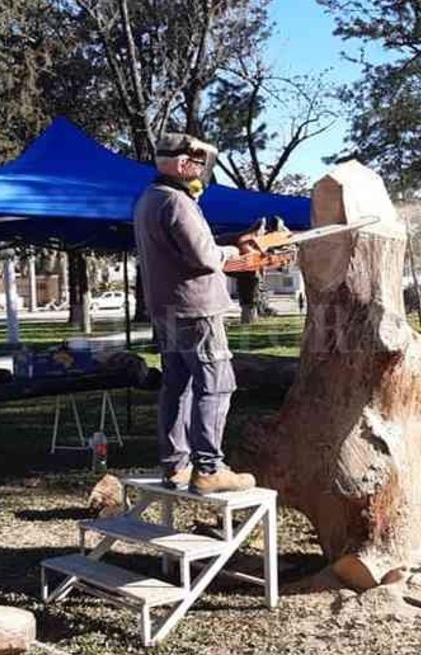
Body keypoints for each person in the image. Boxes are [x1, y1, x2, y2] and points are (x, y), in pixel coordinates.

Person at [132, 132, 257, 494]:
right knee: (217, 384)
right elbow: (203, 257)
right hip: (196, 308)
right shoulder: (177, 202)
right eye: (200, 164)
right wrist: (231, 253)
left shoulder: (149, 199)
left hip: (168, 308)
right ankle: (209, 469)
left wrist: (229, 247)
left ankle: (176, 466)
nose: (203, 172)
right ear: (184, 164)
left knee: (178, 384)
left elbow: (187, 250)